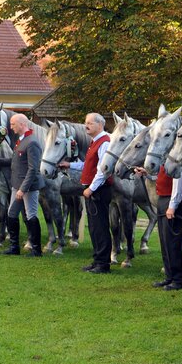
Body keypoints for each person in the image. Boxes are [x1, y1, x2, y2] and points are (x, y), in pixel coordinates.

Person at [60, 113, 113, 273]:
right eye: (85, 122)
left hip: (99, 190)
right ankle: (97, 260)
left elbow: (103, 170)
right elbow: (88, 165)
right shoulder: (94, 142)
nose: (86, 125)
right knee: (94, 227)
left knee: (101, 226)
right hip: (92, 189)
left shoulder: (104, 142)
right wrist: (70, 165)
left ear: (100, 124)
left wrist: (91, 188)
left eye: (90, 123)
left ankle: (103, 264)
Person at [0, 113, 45, 257]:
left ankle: (36, 249)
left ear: (22, 124)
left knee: (31, 215)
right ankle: (14, 247)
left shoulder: (32, 142)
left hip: (28, 187)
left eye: (13, 124)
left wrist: (23, 189)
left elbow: (33, 169)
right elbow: (16, 161)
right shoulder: (21, 140)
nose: (10, 127)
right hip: (17, 185)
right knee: (12, 214)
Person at [135, 165, 182, 289]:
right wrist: (146, 174)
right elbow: (160, 177)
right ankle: (170, 276)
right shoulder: (167, 160)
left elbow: (178, 185)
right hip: (163, 199)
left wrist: (173, 205)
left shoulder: (178, 163)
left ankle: (179, 279)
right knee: (165, 241)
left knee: (173, 242)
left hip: (171, 201)